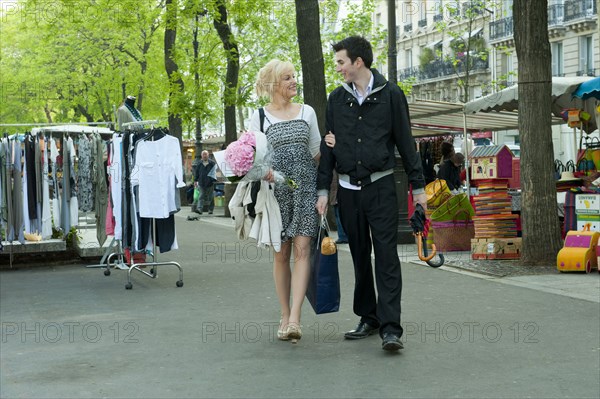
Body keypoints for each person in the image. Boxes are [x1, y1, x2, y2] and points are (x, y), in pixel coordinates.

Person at [316, 36, 427, 352]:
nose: (338, 68)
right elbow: (328, 148)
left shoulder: (391, 95)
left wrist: (418, 190)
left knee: (387, 258)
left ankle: (391, 328)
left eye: (341, 62)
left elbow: (406, 144)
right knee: (360, 256)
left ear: (358, 62)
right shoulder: (336, 99)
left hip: (381, 189)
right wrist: (323, 189)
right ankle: (369, 316)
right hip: (349, 193)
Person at [250, 59, 321, 343]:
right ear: (273, 84)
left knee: (303, 250)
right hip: (276, 193)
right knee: (281, 254)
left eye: (295, 77)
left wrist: (323, 190)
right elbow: (251, 160)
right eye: (288, 78)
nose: (294, 82)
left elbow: (316, 153)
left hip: (305, 189)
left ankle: (295, 318)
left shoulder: (307, 112)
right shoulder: (259, 116)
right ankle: (283, 313)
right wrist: (264, 171)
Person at [193, 151, 217, 215]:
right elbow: (197, 173)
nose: (204, 156)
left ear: (208, 155)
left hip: (210, 183)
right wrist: (195, 181)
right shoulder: (199, 163)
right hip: (201, 182)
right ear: (201, 156)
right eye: (203, 154)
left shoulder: (212, 163)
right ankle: (199, 209)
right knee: (201, 196)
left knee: (211, 197)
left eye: (206, 154)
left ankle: (210, 209)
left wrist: (213, 180)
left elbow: (215, 172)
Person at [329, 171, 348, 244]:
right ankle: (342, 236)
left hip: (339, 194)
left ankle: (343, 236)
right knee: (337, 216)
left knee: (340, 216)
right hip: (335, 195)